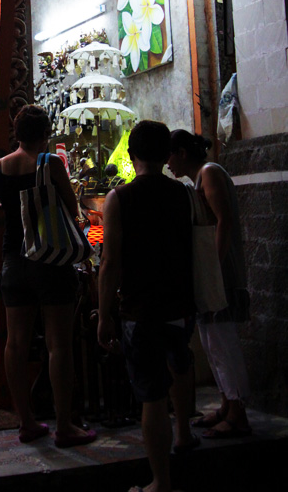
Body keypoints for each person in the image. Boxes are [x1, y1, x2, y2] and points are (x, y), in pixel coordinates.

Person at [0, 105, 97, 448]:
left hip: (14, 262)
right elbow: (71, 208)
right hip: (51, 262)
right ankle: (64, 425)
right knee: (58, 345)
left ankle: (25, 421)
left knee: (15, 342)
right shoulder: (50, 163)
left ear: (16, 132)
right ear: (45, 134)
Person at [98, 120, 197, 492]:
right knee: (180, 367)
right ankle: (183, 433)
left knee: (152, 394)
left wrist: (104, 314)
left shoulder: (119, 198)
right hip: (179, 304)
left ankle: (160, 481)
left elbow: (110, 262)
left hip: (141, 309)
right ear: (166, 153)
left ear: (131, 154)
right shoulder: (183, 193)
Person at [168, 129, 251, 438]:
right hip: (212, 273)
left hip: (220, 273)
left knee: (222, 343)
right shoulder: (199, 178)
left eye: (170, 156)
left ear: (182, 153)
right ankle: (227, 404)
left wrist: (213, 269)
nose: (168, 164)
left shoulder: (210, 173)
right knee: (212, 343)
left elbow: (223, 221)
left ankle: (238, 413)